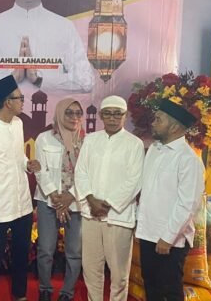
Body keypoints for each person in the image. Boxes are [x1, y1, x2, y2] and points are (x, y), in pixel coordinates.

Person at [0, 75, 41, 301]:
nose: (23, 101)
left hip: (21, 203)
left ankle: (19, 295)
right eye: (19, 98)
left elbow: (18, 156)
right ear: (7, 102)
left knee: (21, 256)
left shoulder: (18, 123)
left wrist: (27, 164)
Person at [74, 96, 144, 301]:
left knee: (119, 273)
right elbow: (81, 172)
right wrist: (91, 200)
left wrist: (108, 204)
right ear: (101, 115)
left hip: (118, 216)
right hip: (91, 214)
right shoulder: (91, 140)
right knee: (91, 269)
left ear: (125, 115)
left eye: (117, 114)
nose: (112, 118)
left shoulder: (134, 144)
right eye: (108, 114)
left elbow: (135, 180)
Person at [136, 99, 204, 301]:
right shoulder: (154, 150)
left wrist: (168, 237)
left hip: (170, 240)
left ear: (174, 127)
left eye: (158, 119)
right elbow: (148, 192)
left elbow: (187, 204)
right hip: (148, 233)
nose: (153, 123)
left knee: (170, 291)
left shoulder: (188, 159)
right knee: (152, 288)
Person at [33, 98, 84, 301]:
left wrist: (69, 197)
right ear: (60, 114)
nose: (74, 117)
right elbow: (40, 170)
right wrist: (56, 197)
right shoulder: (44, 138)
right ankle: (45, 288)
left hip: (76, 202)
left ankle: (67, 292)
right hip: (48, 201)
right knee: (45, 249)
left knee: (74, 252)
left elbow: (87, 174)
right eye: (69, 112)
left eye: (78, 113)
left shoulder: (87, 142)